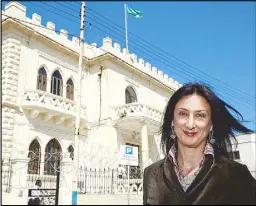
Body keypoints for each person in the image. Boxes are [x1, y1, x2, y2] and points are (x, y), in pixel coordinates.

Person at [143, 82, 256, 205]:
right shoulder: (151, 174)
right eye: (183, 114)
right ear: (172, 121)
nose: (190, 124)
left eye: (200, 115)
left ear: (211, 124)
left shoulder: (236, 174)